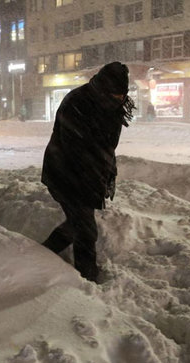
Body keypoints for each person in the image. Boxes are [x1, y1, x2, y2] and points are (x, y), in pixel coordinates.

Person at [41, 62, 135, 282]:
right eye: (114, 95)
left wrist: (109, 174)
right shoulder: (76, 103)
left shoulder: (112, 105)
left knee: (77, 225)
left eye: (122, 96)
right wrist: (92, 179)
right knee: (86, 229)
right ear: (102, 89)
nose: (119, 100)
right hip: (64, 173)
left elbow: (107, 147)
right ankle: (87, 277)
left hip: (89, 175)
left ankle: (43, 253)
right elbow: (76, 149)